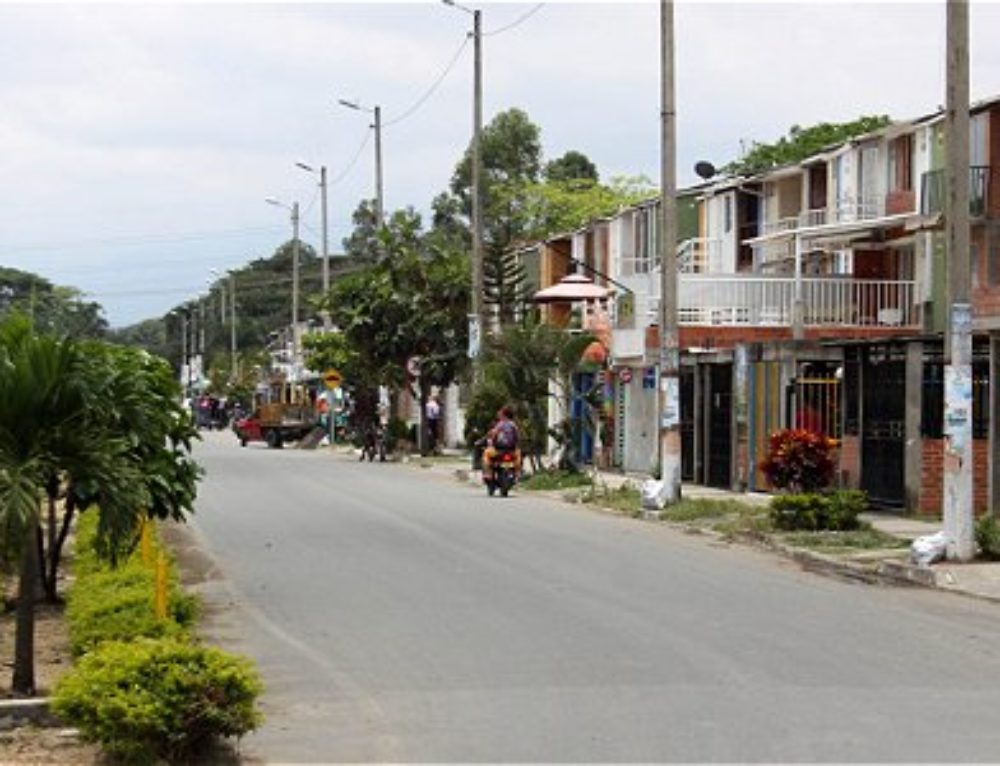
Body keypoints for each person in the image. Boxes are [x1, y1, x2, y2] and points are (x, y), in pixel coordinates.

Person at [482, 406, 521, 480]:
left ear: (504, 415)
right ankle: (517, 473)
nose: (499, 414)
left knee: (486, 454)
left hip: (498, 450)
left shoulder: (500, 424)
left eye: (500, 413)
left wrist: (491, 441)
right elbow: (517, 437)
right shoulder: (514, 425)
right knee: (518, 457)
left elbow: (493, 435)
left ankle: (488, 473)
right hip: (511, 450)